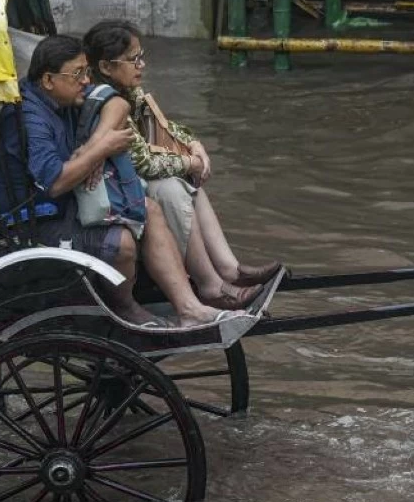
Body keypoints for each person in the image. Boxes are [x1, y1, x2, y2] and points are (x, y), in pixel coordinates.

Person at [0, 34, 225, 329]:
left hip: (59, 205)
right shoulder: (29, 118)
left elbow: (115, 103)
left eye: (87, 71)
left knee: (149, 208)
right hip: (32, 221)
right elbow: (55, 183)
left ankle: (189, 307)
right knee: (122, 243)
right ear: (48, 79)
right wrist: (102, 149)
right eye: (78, 74)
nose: (86, 80)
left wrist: (92, 148)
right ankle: (124, 305)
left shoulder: (64, 96)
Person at [81, 22, 281, 307]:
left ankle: (228, 269)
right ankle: (210, 286)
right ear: (106, 66)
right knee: (172, 186)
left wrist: (193, 144)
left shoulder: (129, 93)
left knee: (184, 180)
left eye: (141, 56)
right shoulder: (106, 102)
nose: (142, 64)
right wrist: (191, 163)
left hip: (127, 180)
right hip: (113, 189)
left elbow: (165, 125)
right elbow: (144, 163)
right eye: (133, 59)